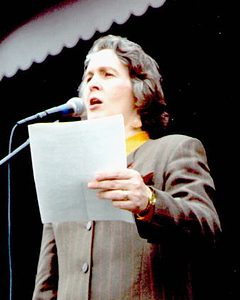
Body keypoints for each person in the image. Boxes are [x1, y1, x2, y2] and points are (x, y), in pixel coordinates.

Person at [32, 35, 221, 300]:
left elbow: (208, 227)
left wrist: (149, 201)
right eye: (88, 78)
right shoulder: (64, 168)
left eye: (107, 75)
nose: (93, 84)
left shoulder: (175, 149)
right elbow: (47, 281)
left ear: (139, 91)